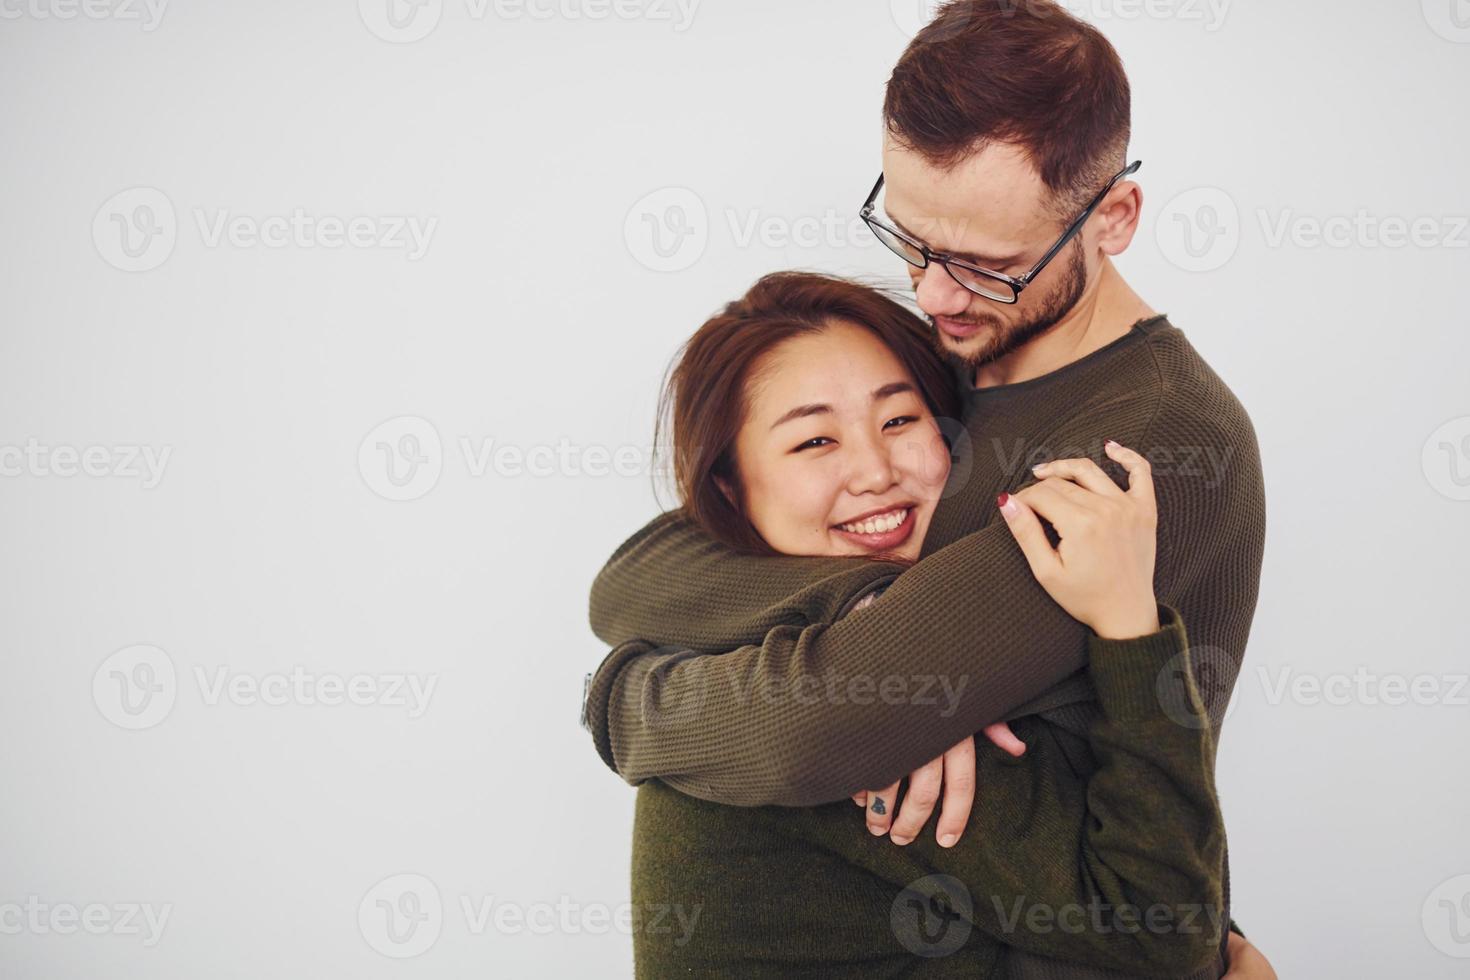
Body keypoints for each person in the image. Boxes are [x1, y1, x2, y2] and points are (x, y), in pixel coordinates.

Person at [584, 2, 1271, 975]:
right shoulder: (968, 355)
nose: (937, 294)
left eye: (988, 266)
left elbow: (812, 725)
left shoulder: (1148, 442)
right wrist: (855, 605)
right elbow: (645, 572)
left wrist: (630, 695)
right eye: (911, 240)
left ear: (1112, 217)